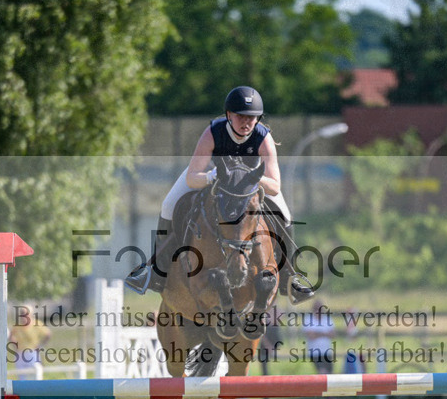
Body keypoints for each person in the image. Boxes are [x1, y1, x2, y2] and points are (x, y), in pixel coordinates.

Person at [125, 85, 315, 304]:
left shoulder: (263, 138)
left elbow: (274, 185)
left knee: (285, 214)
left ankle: (290, 279)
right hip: (214, 177)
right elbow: (192, 176)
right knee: (169, 205)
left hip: (249, 183)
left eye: (252, 118)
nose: (246, 123)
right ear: (228, 115)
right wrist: (211, 176)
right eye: (241, 116)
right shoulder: (213, 132)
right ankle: (156, 271)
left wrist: (250, 177)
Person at [303, 301, 339, 399]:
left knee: (330, 378)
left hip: (327, 353)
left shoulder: (327, 319)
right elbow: (311, 335)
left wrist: (318, 333)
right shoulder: (308, 319)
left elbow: (333, 334)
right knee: (324, 376)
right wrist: (324, 334)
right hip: (315, 353)